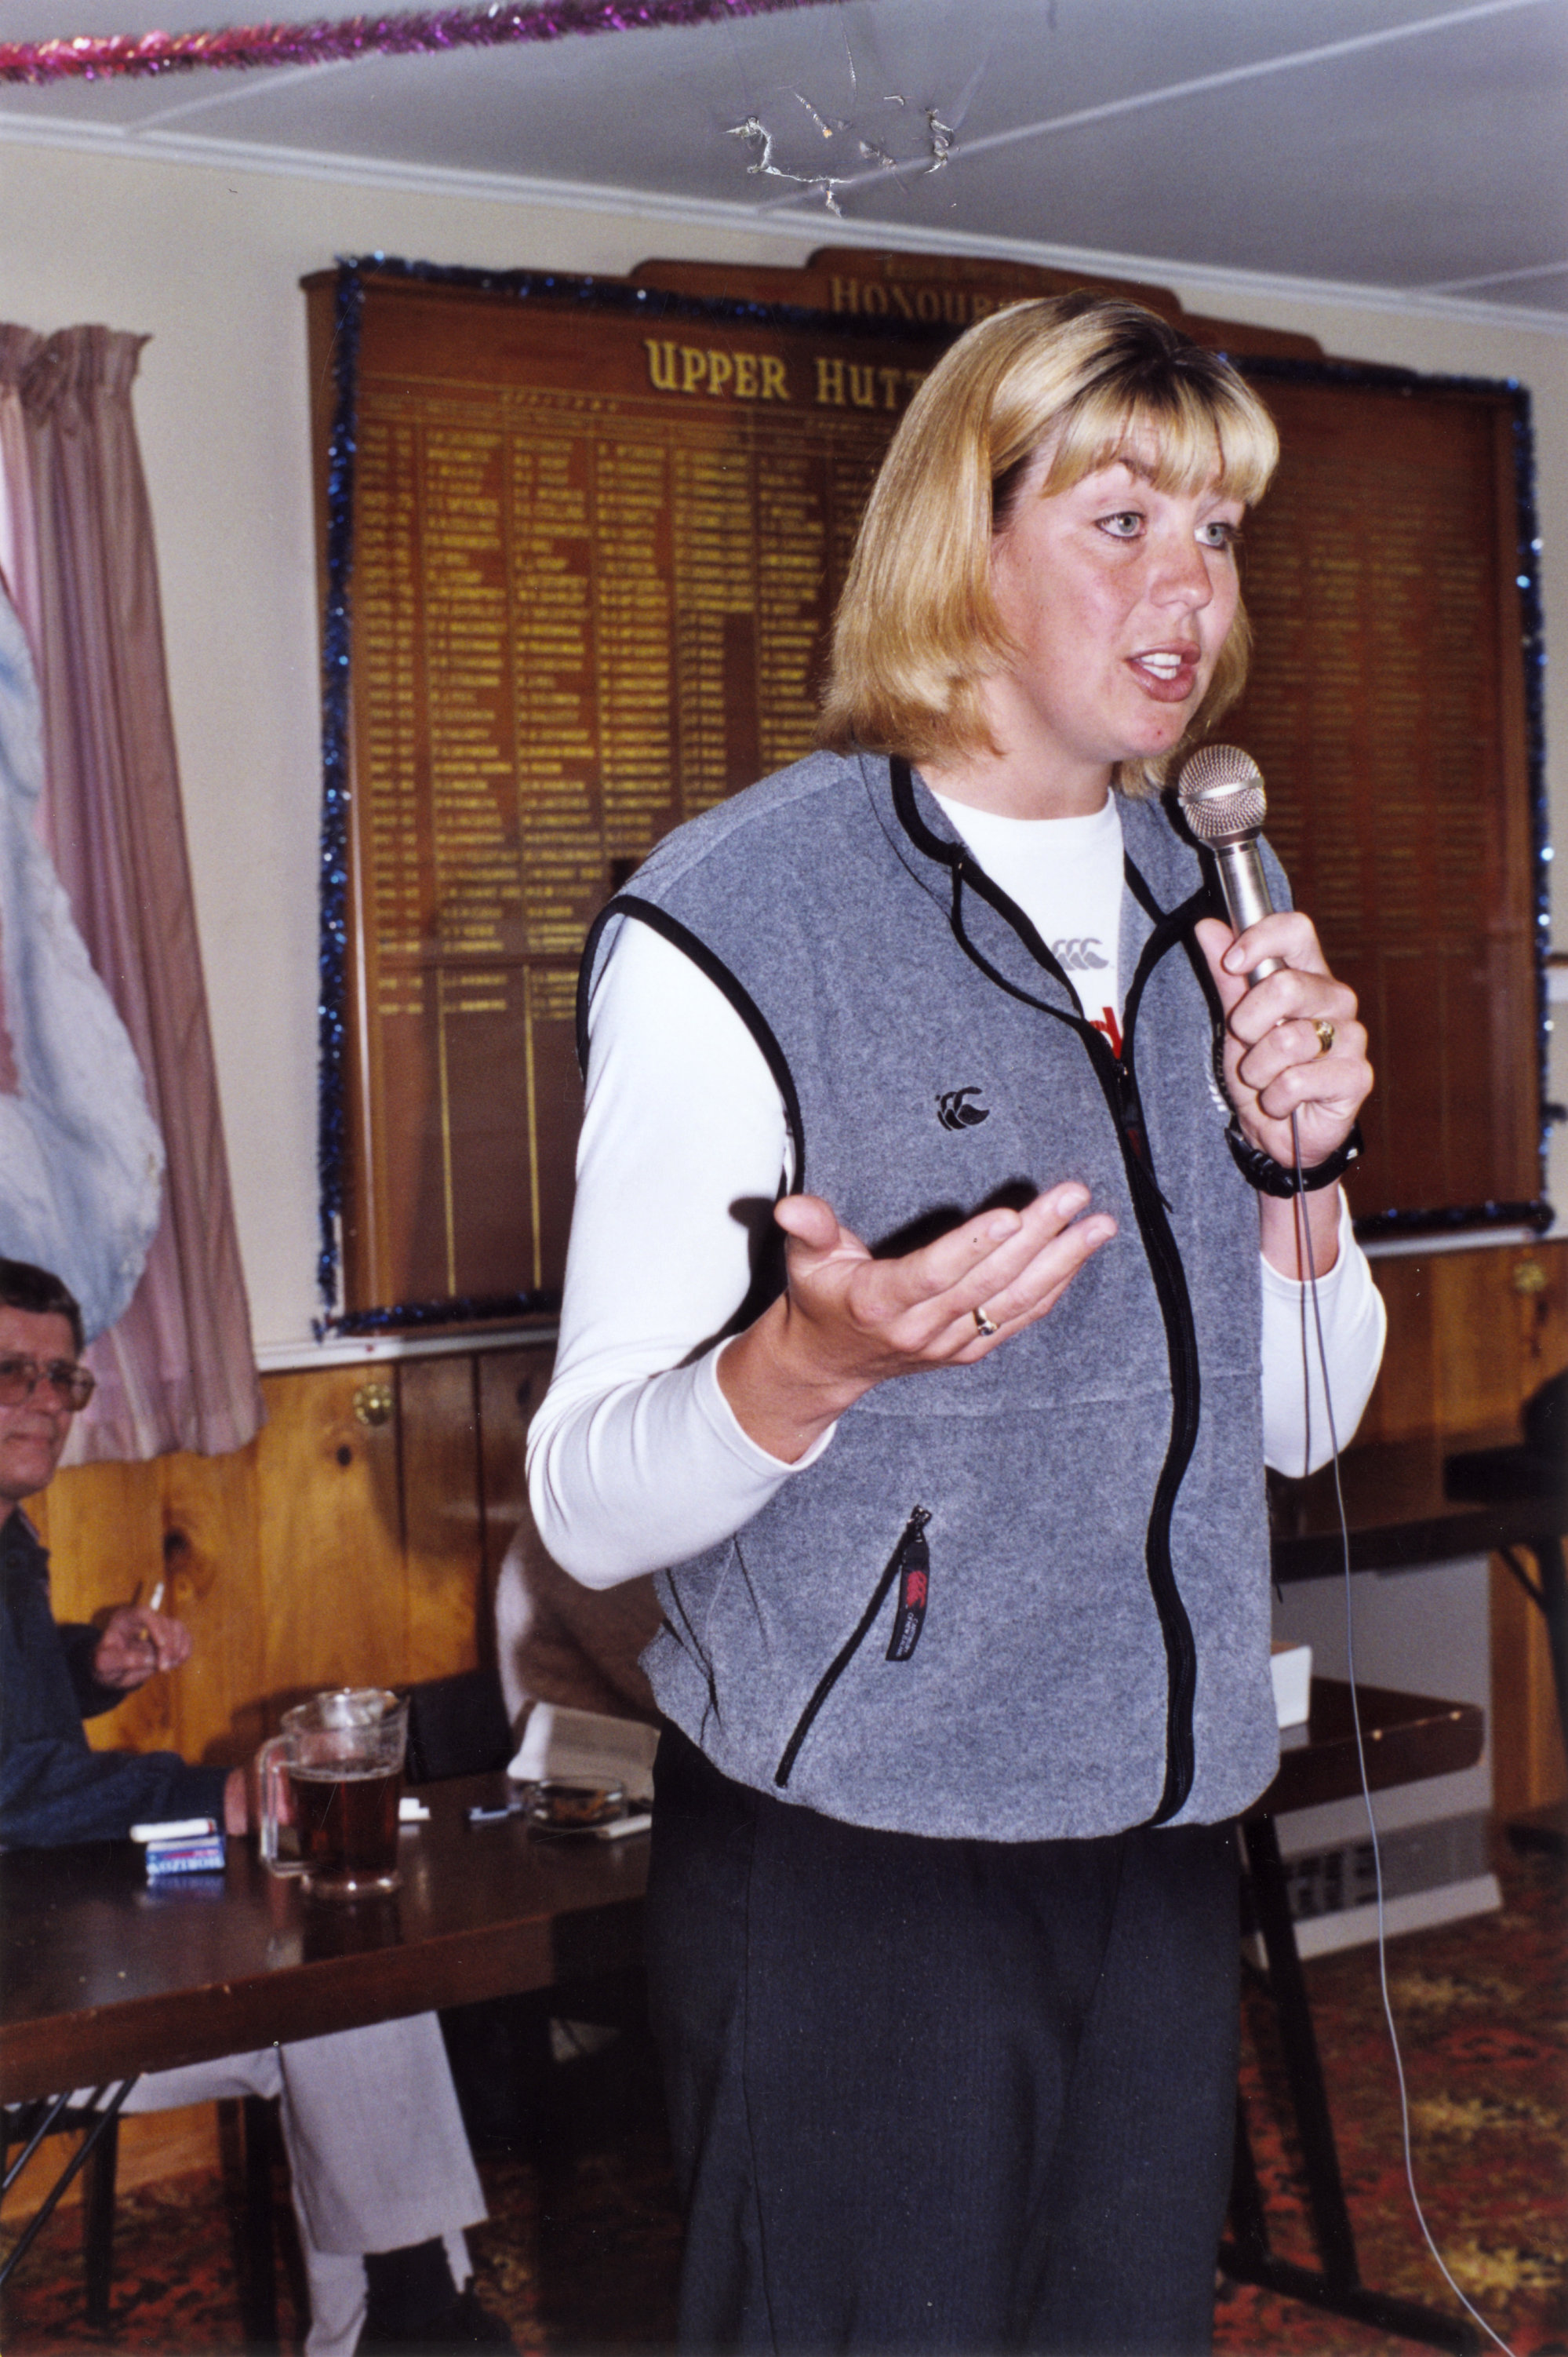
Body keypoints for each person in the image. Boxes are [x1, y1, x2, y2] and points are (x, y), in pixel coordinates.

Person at [527, 293, 1385, 2353]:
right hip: (862, 1865)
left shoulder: (1220, 905)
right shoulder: (742, 916)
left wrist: (1305, 1169)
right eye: (1123, 521)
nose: (1188, 590)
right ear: (960, 542)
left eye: (1221, 533)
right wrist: (812, 1360)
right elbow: (585, 1492)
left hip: (1159, 1827)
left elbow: (1300, 1424)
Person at [0, 1257, 513, 2355]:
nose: (44, 1402)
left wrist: (87, 1659)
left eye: (61, 1380)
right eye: (12, 1375)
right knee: (331, 1987)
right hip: (16, 1991)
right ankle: (416, 2317)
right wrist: (210, 1793)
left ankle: (405, 2318)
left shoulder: (7, 1534)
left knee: (336, 1976)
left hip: (34, 1930)